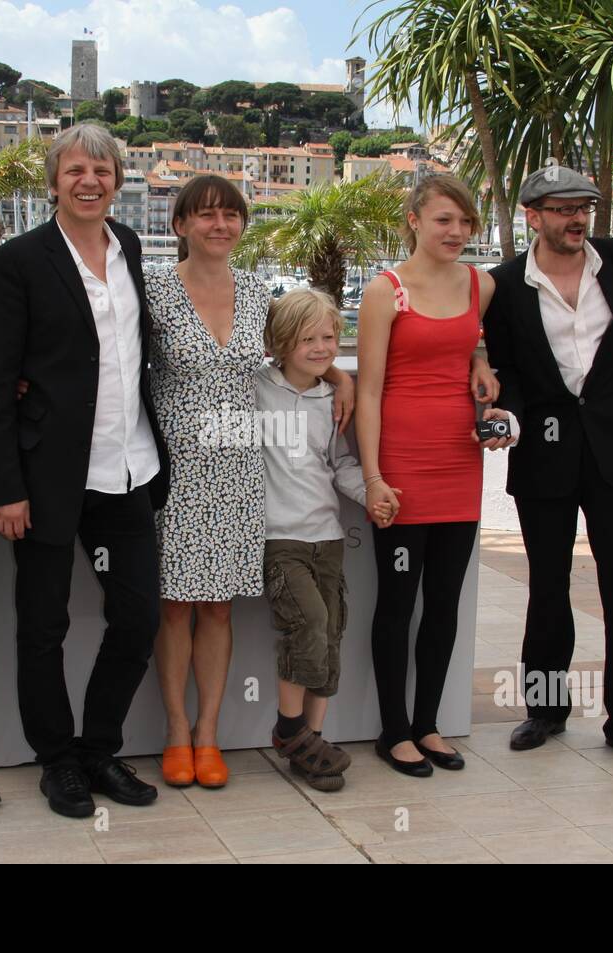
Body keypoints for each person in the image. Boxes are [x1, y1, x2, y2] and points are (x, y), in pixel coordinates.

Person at [0, 123, 170, 817]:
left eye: (104, 170)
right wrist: (6, 486)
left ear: (119, 179)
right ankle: (55, 758)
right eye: (76, 170)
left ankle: (98, 748)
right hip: (52, 479)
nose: (91, 181)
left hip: (130, 470)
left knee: (138, 617)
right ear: (54, 180)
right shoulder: (20, 261)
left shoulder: (132, 248)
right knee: (42, 627)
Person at [146, 175, 355, 789]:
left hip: (240, 470)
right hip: (175, 468)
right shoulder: (155, 288)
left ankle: (209, 734)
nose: (219, 225)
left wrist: (339, 376)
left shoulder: (259, 291)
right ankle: (176, 731)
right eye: (205, 215)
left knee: (217, 608)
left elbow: (292, 356)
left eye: (230, 215)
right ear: (181, 224)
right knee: (174, 608)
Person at [482, 166, 613, 772]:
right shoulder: (504, 284)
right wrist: (509, 415)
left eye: (584, 208)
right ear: (533, 215)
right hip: (544, 453)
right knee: (548, 589)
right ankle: (545, 710)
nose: (576, 219)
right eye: (562, 208)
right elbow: (509, 368)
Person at [356, 175, 515, 777]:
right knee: (397, 602)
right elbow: (369, 391)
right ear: (414, 221)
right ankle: (392, 730)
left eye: (465, 222)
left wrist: (482, 362)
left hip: (459, 459)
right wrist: (373, 476)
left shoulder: (482, 284)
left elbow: (473, 343)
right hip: (401, 460)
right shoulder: (385, 290)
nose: (455, 232)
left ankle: (429, 724)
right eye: (443, 220)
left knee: (445, 601)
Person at [258, 289, 394, 792]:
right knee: (308, 625)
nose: (320, 347)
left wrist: (372, 493)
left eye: (329, 337)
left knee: (331, 633)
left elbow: (339, 466)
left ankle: (310, 744)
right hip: (280, 539)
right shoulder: (257, 388)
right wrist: (341, 376)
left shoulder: (332, 400)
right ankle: (290, 731)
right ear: (279, 342)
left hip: (329, 538)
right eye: (306, 338)